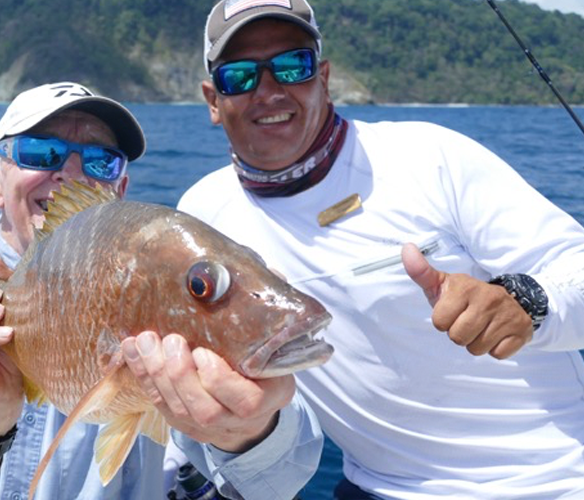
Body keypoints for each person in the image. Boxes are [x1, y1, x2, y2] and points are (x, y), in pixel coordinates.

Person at [177, 1, 584, 498]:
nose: (268, 90)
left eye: (292, 66)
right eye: (240, 76)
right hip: (375, 488)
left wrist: (525, 301)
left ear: (322, 77)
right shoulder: (201, 214)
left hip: (558, 479)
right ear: (212, 100)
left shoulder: (429, 157)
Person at [0, 81, 323, 500]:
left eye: (100, 161)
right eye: (41, 152)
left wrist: (248, 428)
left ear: (119, 188)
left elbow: (280, 481)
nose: (71, 174)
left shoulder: (156, 282)